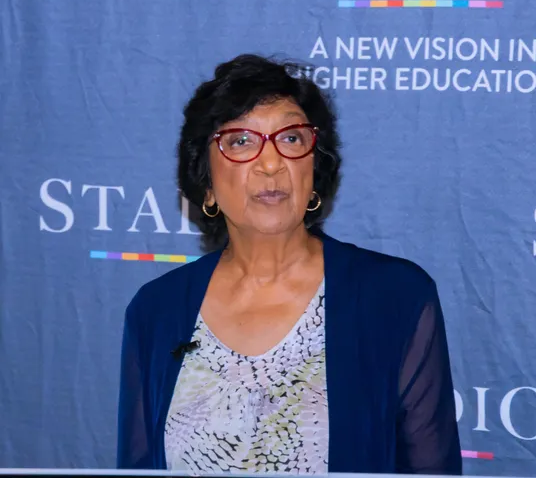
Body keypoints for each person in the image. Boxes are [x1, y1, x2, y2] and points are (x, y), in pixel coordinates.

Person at [116, 54, 462, 474]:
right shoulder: (156, 310)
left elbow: (431, 470)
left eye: (292, 138)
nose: (271, 163)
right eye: (241, 141)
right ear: (206, 183)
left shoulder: (394, 298)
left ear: (314, 169)